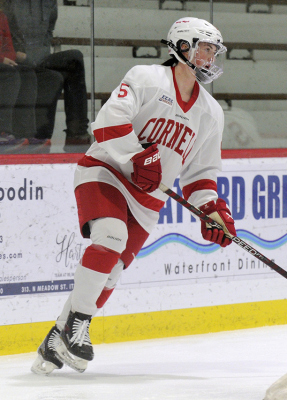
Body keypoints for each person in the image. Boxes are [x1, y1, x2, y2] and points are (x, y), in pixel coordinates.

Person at [31, 17, 236, 375]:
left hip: (147, 199)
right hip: (106, 171)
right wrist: (138, 155)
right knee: (111, 238)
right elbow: (108, 122)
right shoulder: (146, 77)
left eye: (213, 51)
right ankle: (78, 325)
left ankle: (56, 337)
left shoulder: (210, 113)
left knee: (112, 272)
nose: (209, 57)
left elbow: (200, 175)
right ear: (182, 47)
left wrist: (211, 211)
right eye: (204, 48)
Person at [5, 0, 91, 153]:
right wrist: (18, 56)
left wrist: (41, 58)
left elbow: (48, 32)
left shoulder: (50, 2)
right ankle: (74, 135)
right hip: (18, 59)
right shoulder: (12, 2)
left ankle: (77, 135)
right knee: (55, 75)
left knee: (75, 59)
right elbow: (6, 34)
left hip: (42, 60)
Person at [0, 2, 36, 153]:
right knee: (10, 74)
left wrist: (15, 57)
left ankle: (25, 135)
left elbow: (7, 47)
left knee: (27, 74)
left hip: (4, 61)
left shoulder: (3, 16)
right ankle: (2, 133)